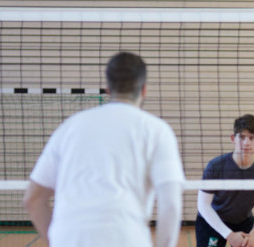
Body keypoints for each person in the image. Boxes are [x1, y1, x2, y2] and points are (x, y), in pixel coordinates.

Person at [23, 52, 184, 247]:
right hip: (125, 238)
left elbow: (33, 199)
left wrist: (57, 241)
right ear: (144, 90)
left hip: (69, 239)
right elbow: (171, 204)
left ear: (108, 89)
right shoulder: (157, 130)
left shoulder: (69, 127)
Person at [196, 114, 254, 247]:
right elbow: (203, 205)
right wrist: (230, 235)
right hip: (212, 221)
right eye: (242, 137)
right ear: (233, 139)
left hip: (243, 220)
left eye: (251, 138)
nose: (246, 142)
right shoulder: (216, 166)